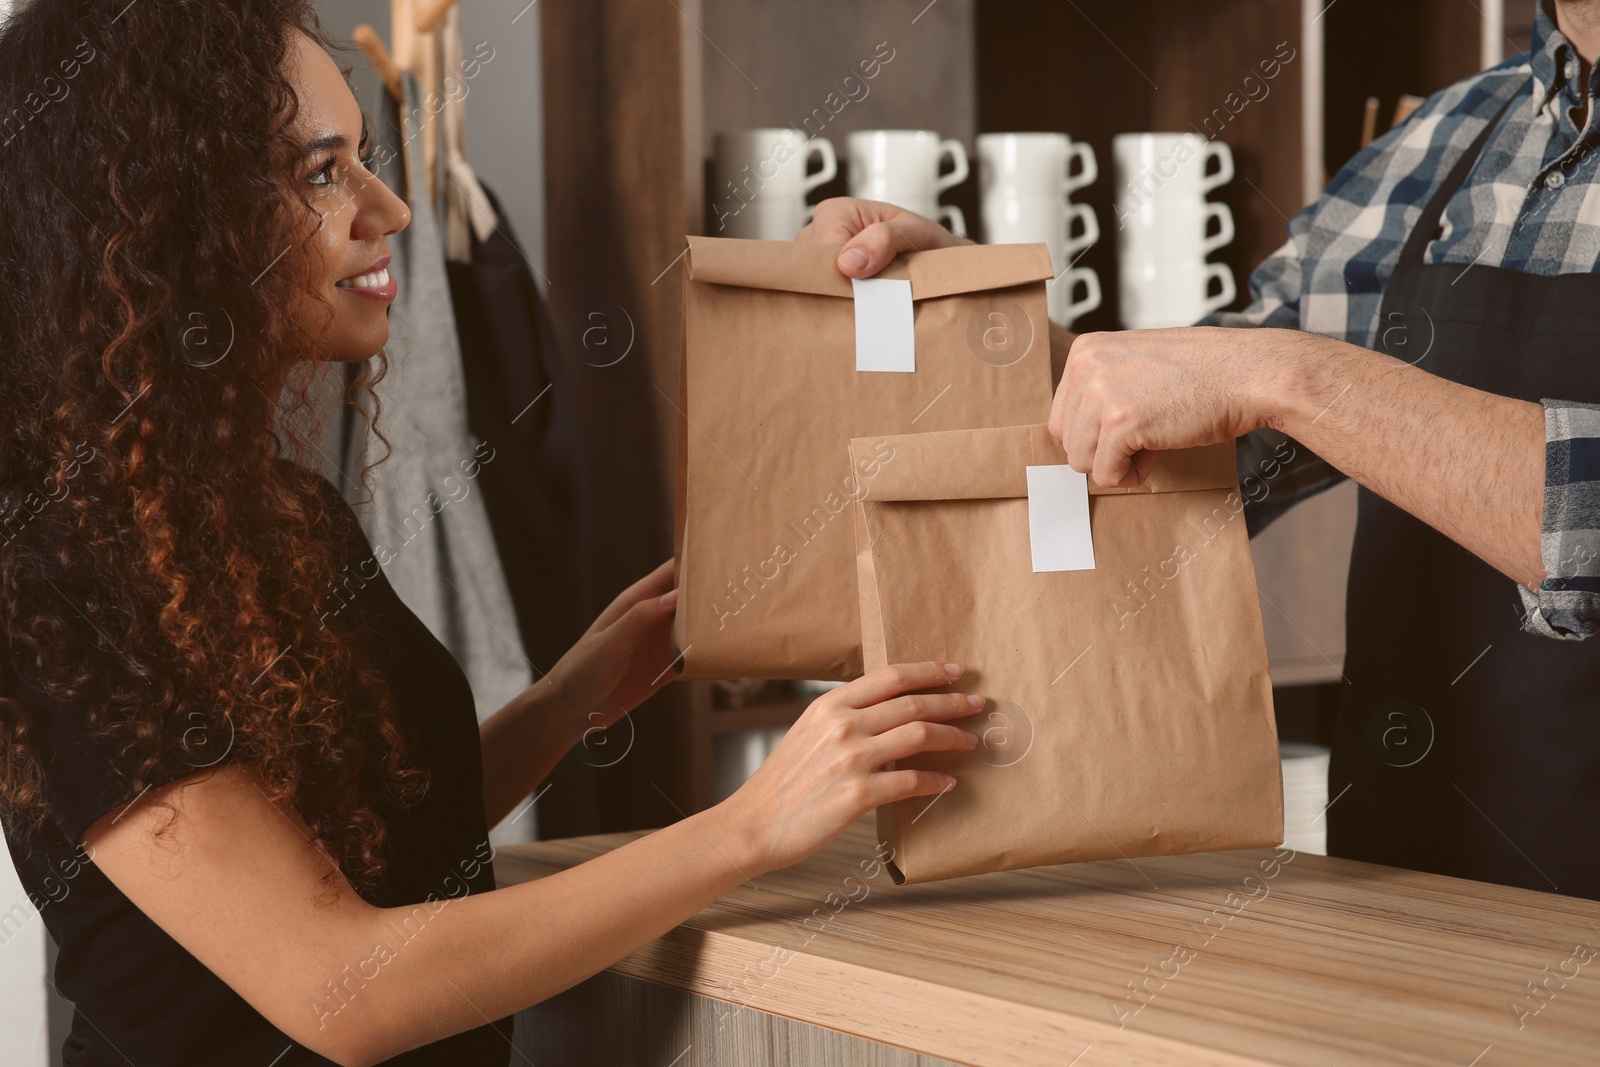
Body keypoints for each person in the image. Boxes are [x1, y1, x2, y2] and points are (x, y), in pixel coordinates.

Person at [0, 4, 984, 1064]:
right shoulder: (61, 578)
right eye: (322, 174)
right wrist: (752, 824)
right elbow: (341, 986)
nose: (389, 209)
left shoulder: (281, 514)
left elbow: (380, 829)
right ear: (171, 220)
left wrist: (568, 698)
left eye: (363, 162)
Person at [803, 0, 1600, 902]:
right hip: (1405, 915)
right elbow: (1213, 424)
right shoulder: (1444, 139)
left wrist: (1299, 380)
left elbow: (1271, 379)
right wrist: (978, 325)